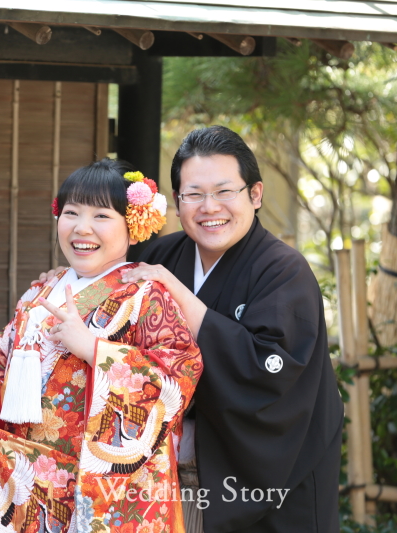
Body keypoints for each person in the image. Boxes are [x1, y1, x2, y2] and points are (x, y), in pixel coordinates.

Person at [0, 159, 204, 533]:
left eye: (101, 216)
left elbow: (180, 371)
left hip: (98, 487)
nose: (82, 228)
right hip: (28, 475)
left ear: (133, 225)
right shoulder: (39, 292)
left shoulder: (145, 294)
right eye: (71, 213)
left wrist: (96, 350)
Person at [121, 126, 344, 532]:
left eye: (225, 191)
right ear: (176, 201)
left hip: (275, 491)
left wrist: (183, 301)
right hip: (168, 482)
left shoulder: (284, 272)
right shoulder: (159, 255)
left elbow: (268, 374)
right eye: (194, 194)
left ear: (254, 195)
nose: (210, 207)